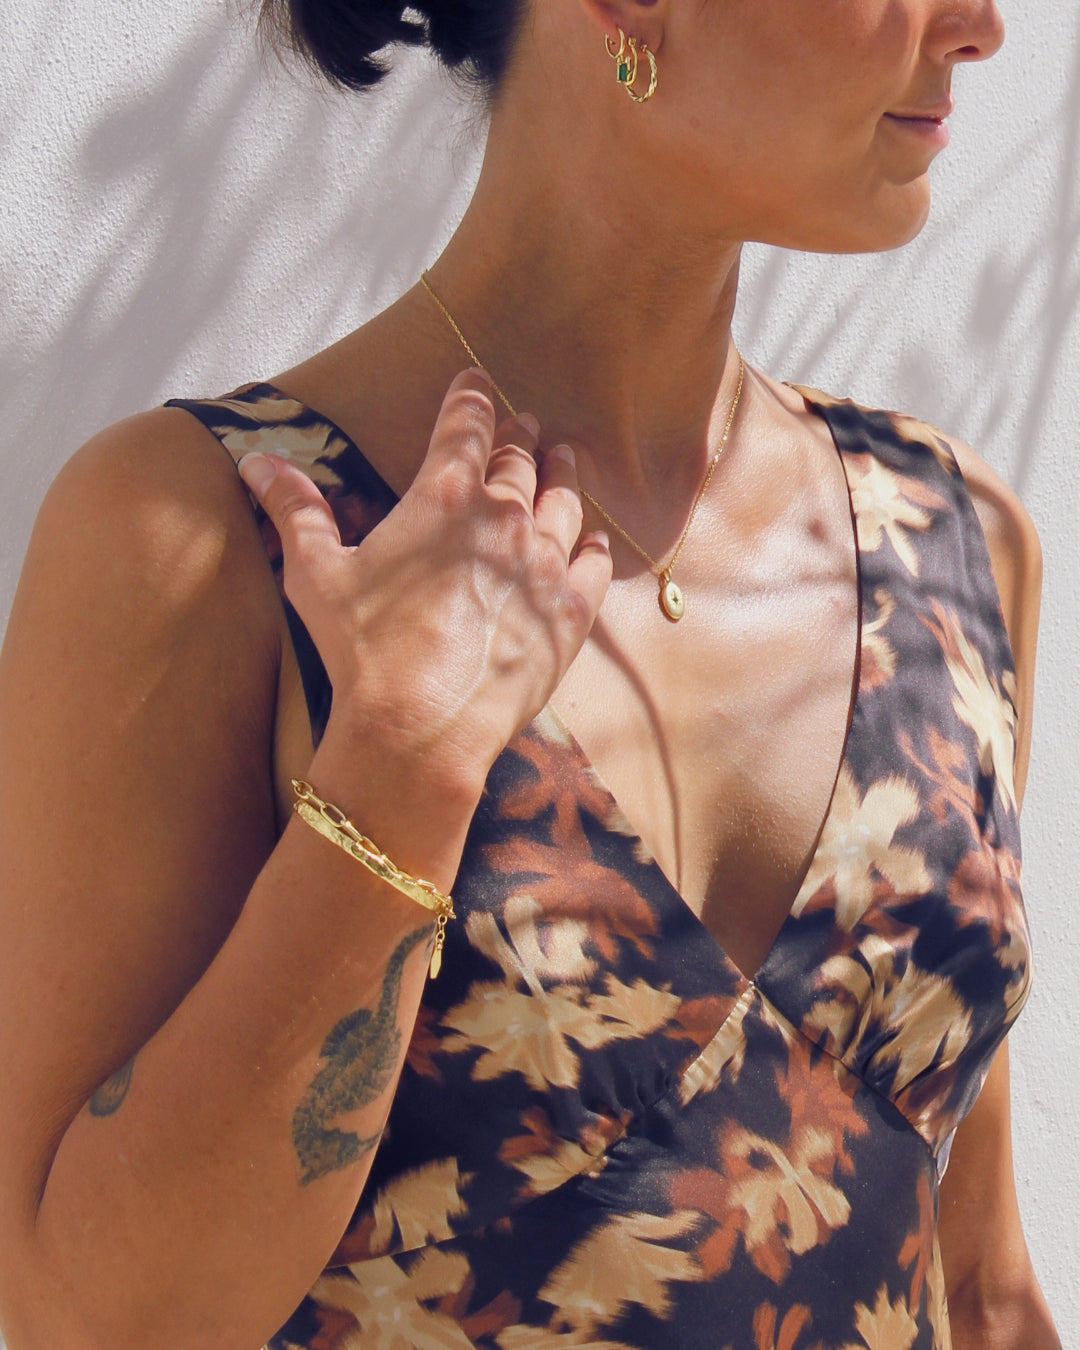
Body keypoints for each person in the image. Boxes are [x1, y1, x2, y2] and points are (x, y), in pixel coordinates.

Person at [0, 0, 1061, 1346]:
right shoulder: (210, 539)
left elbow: (975, 1284)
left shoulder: (958, 543)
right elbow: (98, 1322)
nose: (980, 27)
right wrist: (399, 777)